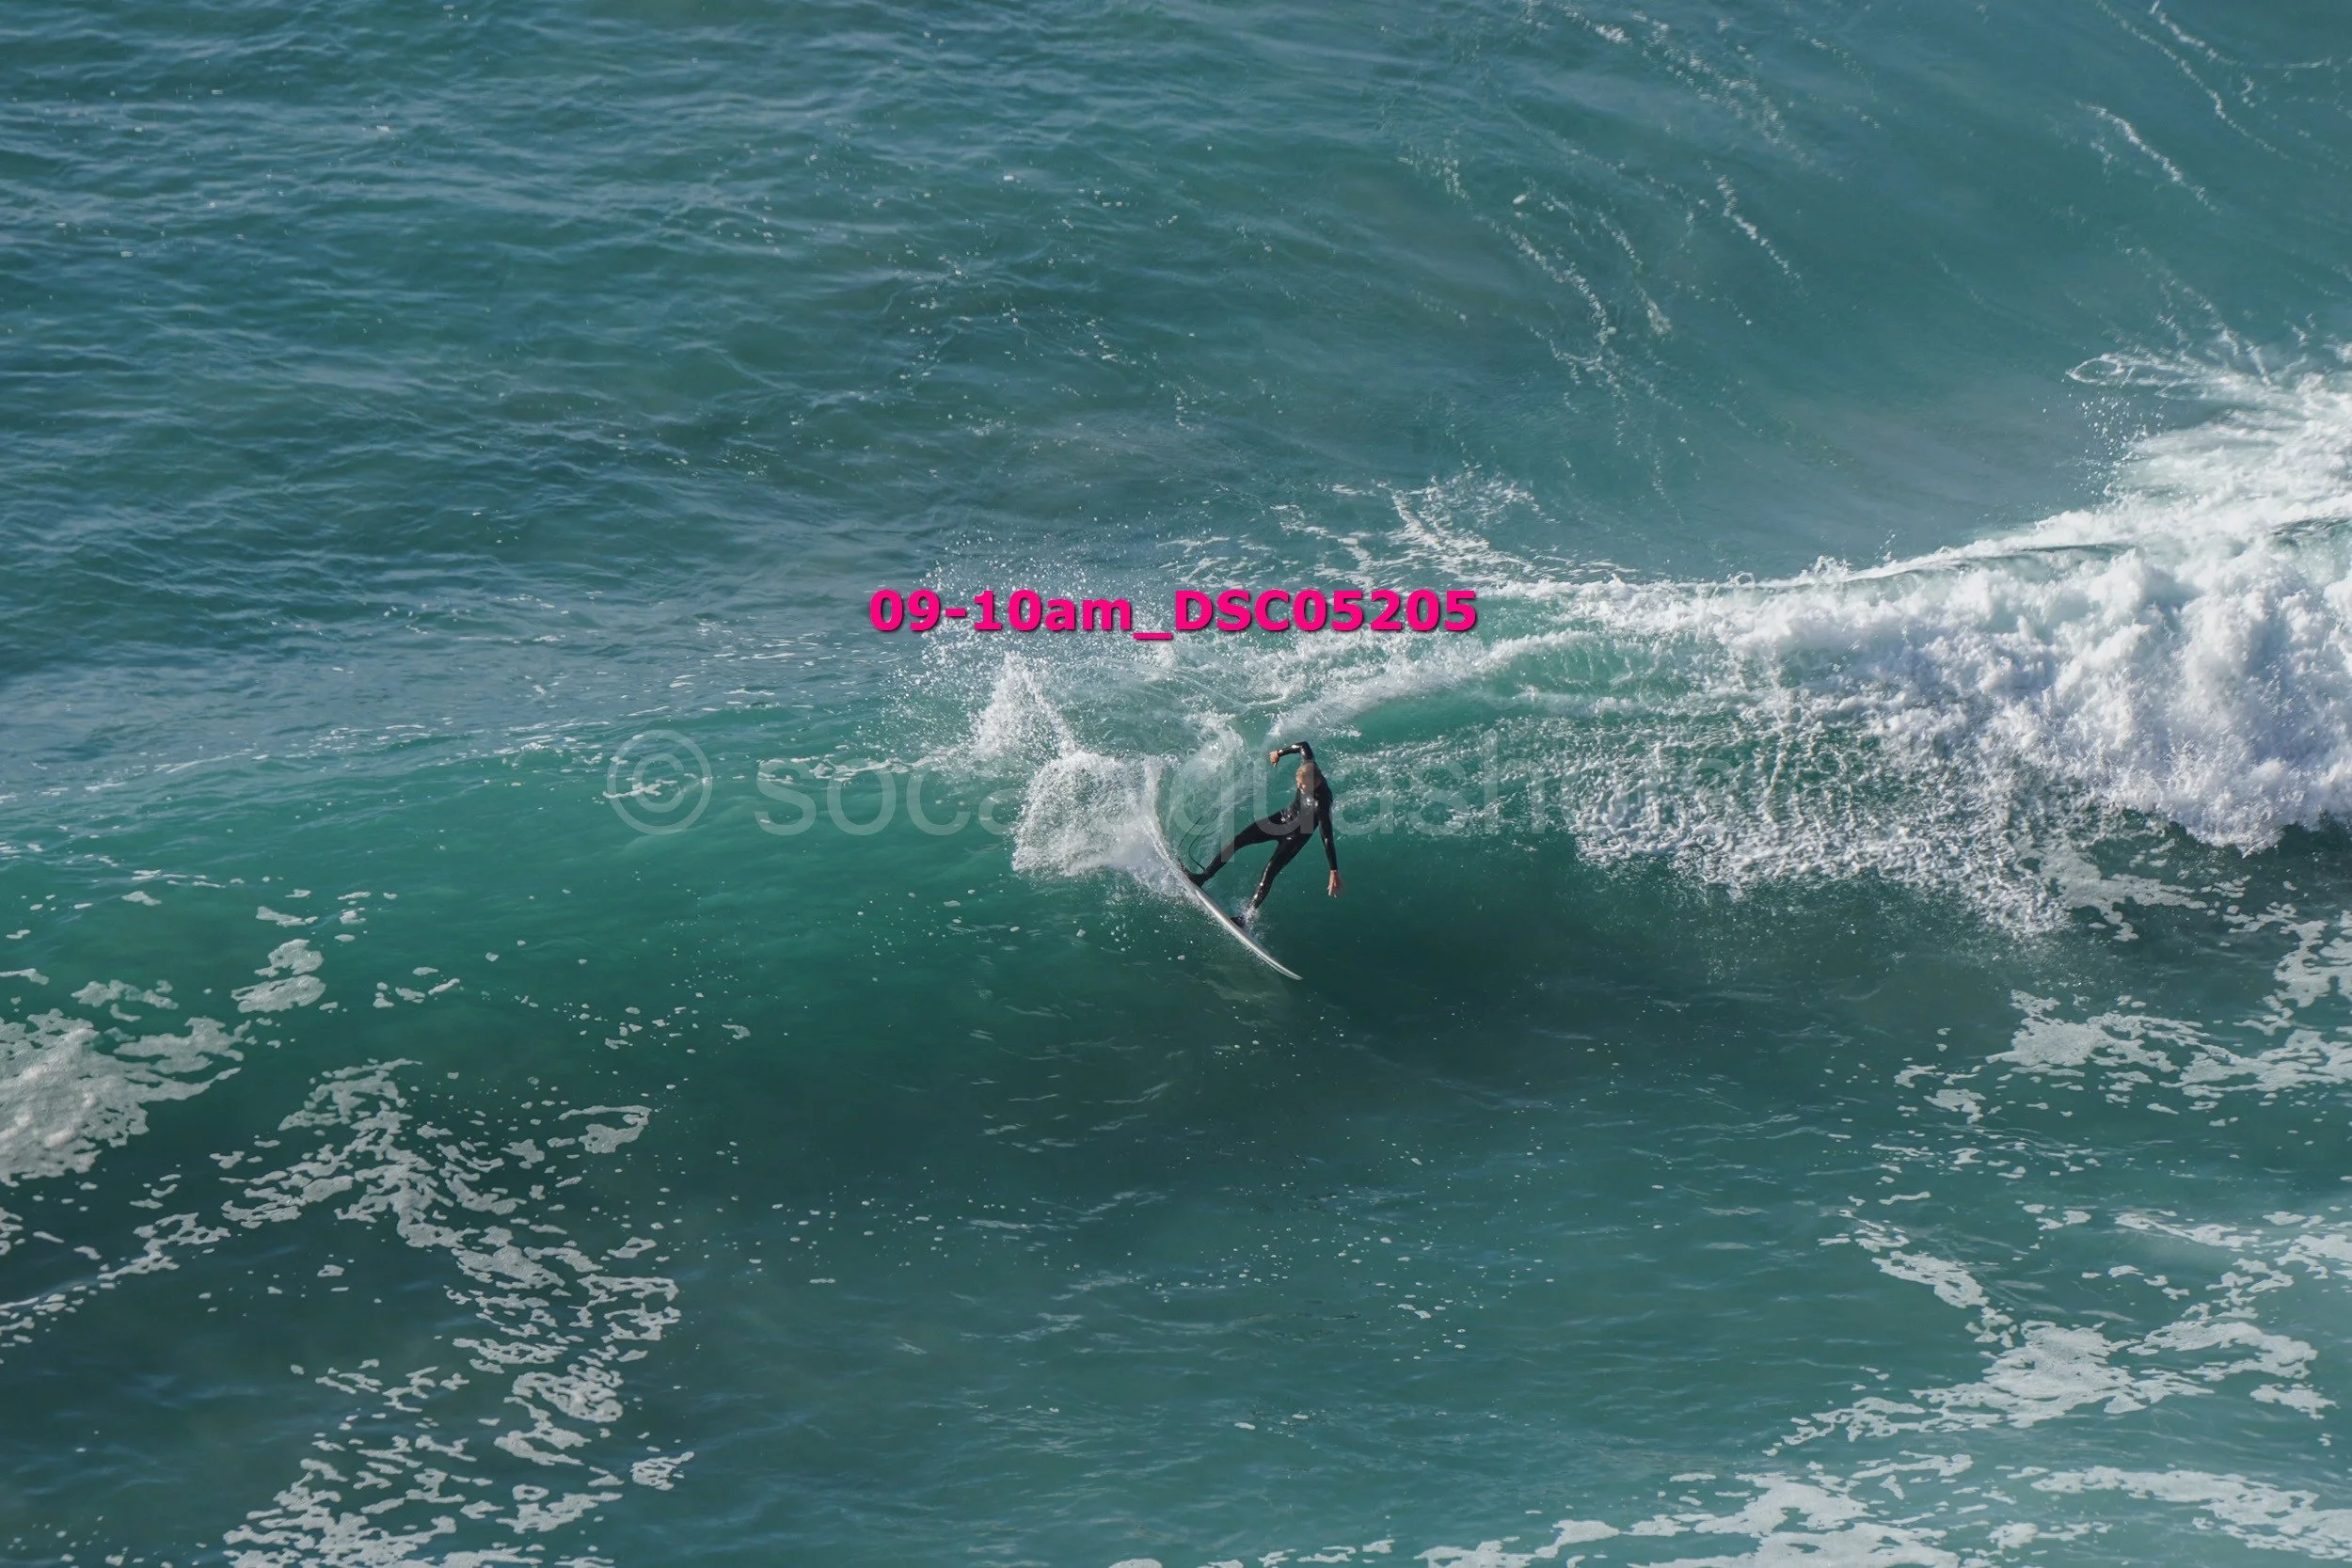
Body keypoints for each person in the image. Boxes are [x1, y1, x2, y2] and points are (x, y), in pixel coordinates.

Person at [1189, 741, 1343, 925]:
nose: (1300, 788)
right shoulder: (1309, 766)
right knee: (1238, 841)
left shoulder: (1322, 803)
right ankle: (1204, 877)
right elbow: (1303, 746)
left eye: (1303, 786)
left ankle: (1244, 918)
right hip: (1282, 819)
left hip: (1295, 837)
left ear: (1316, 782)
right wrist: (1279, 752)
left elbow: (1327, 837)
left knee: (1268, 873)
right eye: (1298, 784)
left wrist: (1333, 870)